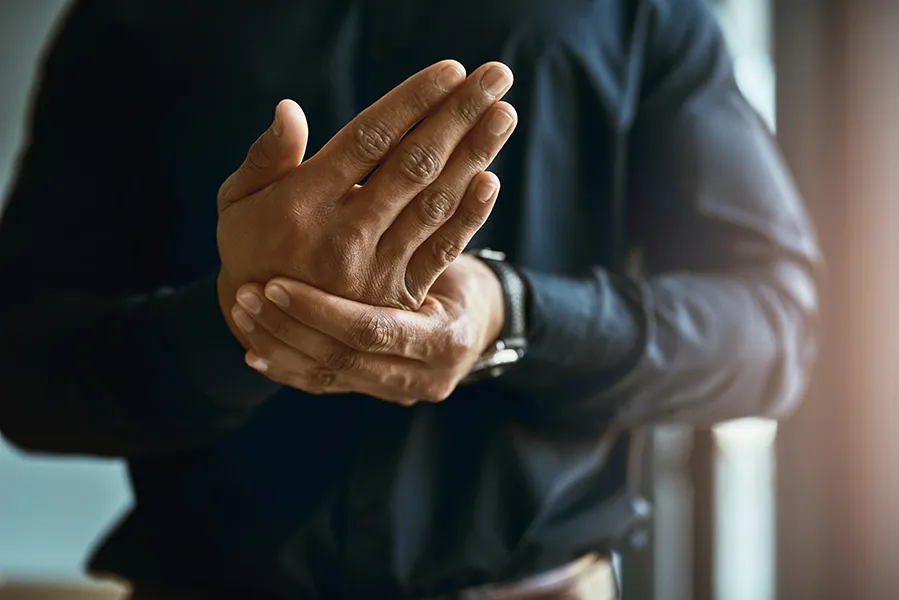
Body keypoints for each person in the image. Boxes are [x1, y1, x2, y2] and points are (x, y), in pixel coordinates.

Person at [0, 0, 821, 598]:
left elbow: (771, 332)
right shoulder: (129, 19)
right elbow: (24, 376)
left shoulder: (640, 10)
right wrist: (241, 318)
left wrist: (513, 314)